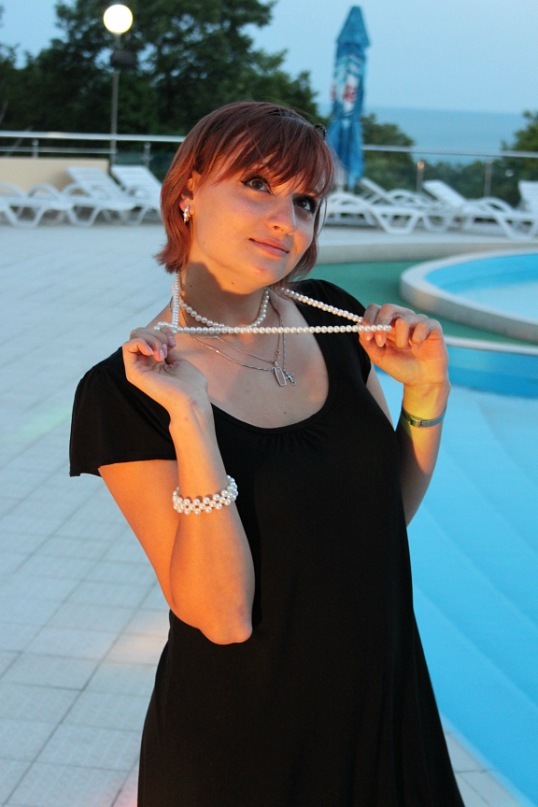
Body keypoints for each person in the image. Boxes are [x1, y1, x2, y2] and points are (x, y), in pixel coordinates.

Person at [70, 100, 463, 806]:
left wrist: (428, 393)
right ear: (188, 192)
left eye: (305, 200)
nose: (288, 219)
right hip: (246, 746)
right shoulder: (125, 393)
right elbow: (222, 616)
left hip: (384, 708)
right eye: (257, 184)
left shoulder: (331, 319)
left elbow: (379, 518)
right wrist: (193, 419)